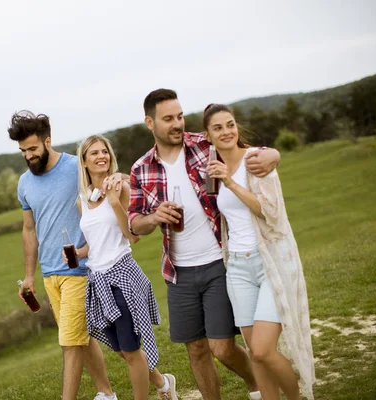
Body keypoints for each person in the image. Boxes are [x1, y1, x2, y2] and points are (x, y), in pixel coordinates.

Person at [128, 89, 282, 400]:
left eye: (180, 116)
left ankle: (260, 387)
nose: (177, 124)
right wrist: (154, 217)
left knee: (222, 348)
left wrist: (272, 153)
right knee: (196, 350)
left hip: (218, 262)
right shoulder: (141, 169)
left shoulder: (204, 144)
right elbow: (134, 222)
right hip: (179, 273)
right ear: (150, 122)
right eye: (168, 119)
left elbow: (245, 150)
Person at [203, 103, 315, 400]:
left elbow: (269, 212)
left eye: (230, 124)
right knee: (256, 353)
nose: (226, 131)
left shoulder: (255, 160)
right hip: (237, 268)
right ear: (208, 135)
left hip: (270, 263)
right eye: (218, 127)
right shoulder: (212, 167)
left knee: (265, 350)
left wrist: (230, 181)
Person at [8, 111, 118, 400]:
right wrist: (30, 276)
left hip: (80, 269)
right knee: (82, 339)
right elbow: (29, 230)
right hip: (50, 274)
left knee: (69, 342)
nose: (28, 156)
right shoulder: (24, 184)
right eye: (23, 151)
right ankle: (110, 392)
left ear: (47, 141)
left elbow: (109, 184)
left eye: (33, 149)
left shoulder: (74, 167)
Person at [66, 134, 178, 400]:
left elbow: (133, 236)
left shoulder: (121, 188)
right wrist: (77, 253)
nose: (101, 156)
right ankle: (163, 384)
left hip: (122, 275)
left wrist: (116, 203)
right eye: (94, 153)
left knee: (130, 349)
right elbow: (94, 243)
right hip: (98, 279)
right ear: (84, 161)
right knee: (120, 348)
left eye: (104, 151)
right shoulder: (82, 201)